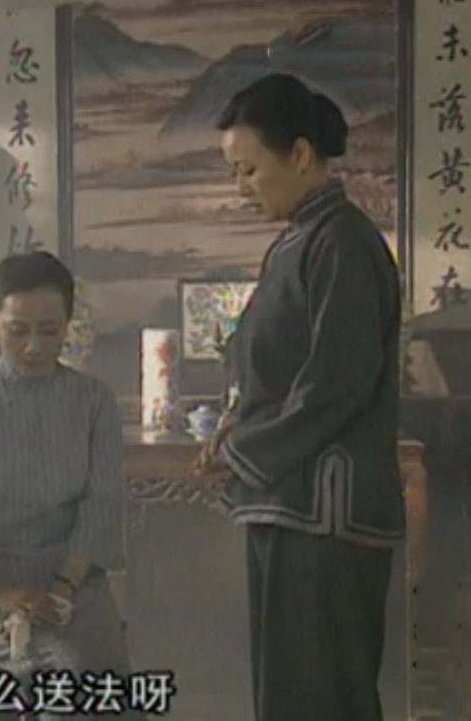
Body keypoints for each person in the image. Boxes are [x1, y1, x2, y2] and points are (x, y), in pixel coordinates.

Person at [194, 73, 404, 721]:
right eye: (234, 172)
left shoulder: (343, 242)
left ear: (302, 154)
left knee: (322, 695)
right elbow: (272, 370)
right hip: (289, 503)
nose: (241, 188)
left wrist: (245, 451)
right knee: (289, 694)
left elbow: (337, 383)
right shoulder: (298, 240)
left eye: (249, 170)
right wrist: (233, 428)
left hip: (325, 514)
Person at [0, 252, 146, 720]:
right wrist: (0, 592)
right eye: (17, 331)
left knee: (110, 683)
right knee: (59, 666)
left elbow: (100, 508)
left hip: (74, 585)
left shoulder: (93, 403)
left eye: (49, 331)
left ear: (67, 325)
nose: (34, 346)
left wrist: (61, 588)